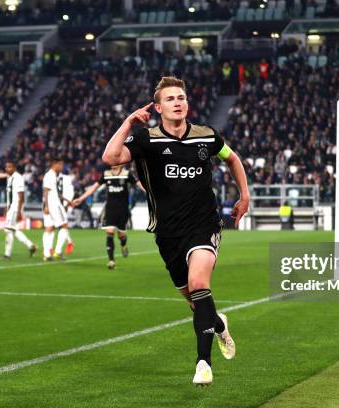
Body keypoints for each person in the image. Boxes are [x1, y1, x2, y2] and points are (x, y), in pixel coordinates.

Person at [102, 76, 250, 385]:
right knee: (195, 300)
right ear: (157, 107)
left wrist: (244, 195)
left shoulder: (207, 136)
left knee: (199, 281)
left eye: (181, 97)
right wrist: (129, 122)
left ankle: (203, 363)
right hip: (168, 233)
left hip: (204, 224)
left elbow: (233, 158)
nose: (177, 102)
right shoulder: (147, 139)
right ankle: (218, 324)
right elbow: (110, 157)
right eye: (169, 99)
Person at [72, 165, 144, 270]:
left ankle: (123, 244)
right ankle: (111, 260)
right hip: (110, 208)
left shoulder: (127, 174)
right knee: (109, 232)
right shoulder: (106, 174)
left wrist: (151, 193)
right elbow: (94, 187)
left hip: (123, 209)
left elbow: (139, 184)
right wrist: (81, 198)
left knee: (121, 235)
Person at [1, 160, 37, 260]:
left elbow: (21, 196)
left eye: (9, 167)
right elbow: (10, 195)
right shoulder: (9, 178)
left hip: (15, 208)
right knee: (12, 229)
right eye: (6, 167)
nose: (7, 169)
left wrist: (19, 211)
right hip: (10, 208)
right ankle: (30, 246)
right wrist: (6, 207)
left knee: (8, 230)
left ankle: (7, 255)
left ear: (14, 168)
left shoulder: (18, 178)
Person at [42, 158, 73, 261]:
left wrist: (67, 200)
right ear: (55, 164)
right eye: (61, 165)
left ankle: (47, 254)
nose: (62, 167)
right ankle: (58, 251)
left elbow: (55, 192)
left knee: (49, 229)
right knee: (64, 226)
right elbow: (46, 191)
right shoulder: (50, 175)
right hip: (54, 205)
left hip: (51, 204)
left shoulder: (53, 175)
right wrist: (46, 206)